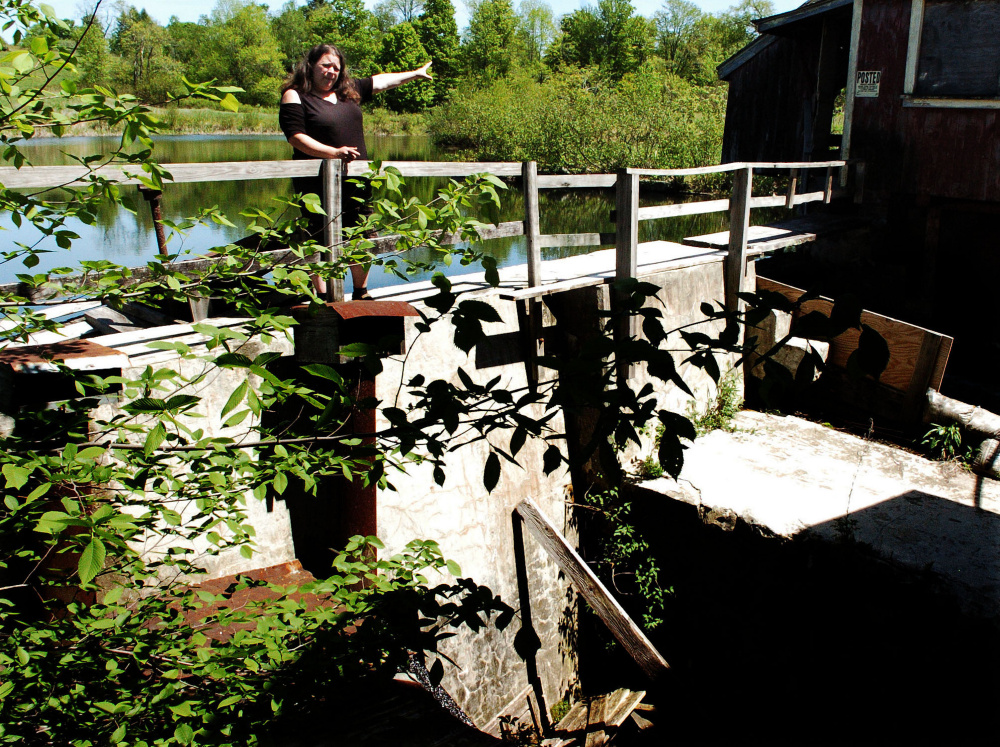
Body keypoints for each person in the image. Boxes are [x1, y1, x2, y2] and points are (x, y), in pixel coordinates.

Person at [279, 44, 432, 300]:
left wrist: (415, 74)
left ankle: (360, 291)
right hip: (316, 181)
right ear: (311, 65)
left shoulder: (348, 93)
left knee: (363, 233)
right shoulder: (295, 96)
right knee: (317, 234)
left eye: (336, 68)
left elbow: (381, 82)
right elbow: (295, 137)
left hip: (357, 179)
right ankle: (322, 296)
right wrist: (333, 152)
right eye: (326, 65)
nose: (331, 72)